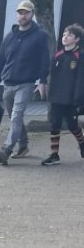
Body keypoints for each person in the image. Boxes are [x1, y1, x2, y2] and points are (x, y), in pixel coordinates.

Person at [0, 0, 51, 165]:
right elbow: (1, 60)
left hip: (26, 83)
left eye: (26, 13)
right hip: (7, 83)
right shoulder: (9, 37)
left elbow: (44, 60)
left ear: (32, 14)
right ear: (17, 15)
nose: (23, 15)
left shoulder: (40, 35)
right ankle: (23, 145)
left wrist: (42, 81)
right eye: (20, 12)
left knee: (16, 116)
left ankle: (6, 150)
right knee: (13, 117)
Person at [41, 23, 84, 164]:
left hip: (71, 99)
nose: (65, 37)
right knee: (54, 124)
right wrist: (42, 84)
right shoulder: (57, 55)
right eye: (64, 34)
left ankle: (82, 142)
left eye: (69, 35)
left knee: (72, 126)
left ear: (76, 39)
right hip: (56, 97)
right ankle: (54, 155)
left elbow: (80, 80)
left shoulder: (79, 57)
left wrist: (78, 99)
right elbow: (49, 72)